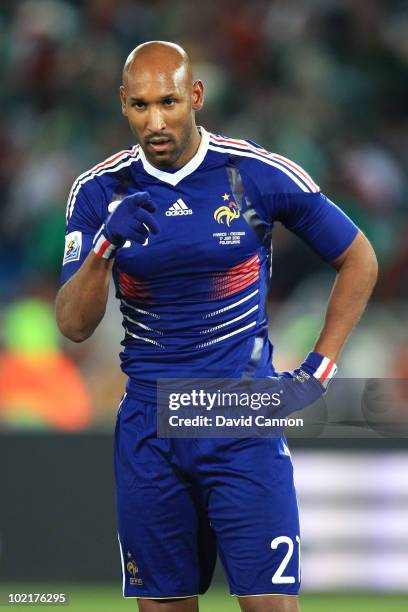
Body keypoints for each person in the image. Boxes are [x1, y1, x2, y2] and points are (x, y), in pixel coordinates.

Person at [56, 41, 378, 612]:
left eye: (169, 102)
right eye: (140, 106)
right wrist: (104, 245)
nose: (155, 121)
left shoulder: (255, 173)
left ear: (196, 96)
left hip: (239, 415)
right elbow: (73, 325)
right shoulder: (99, 191)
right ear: (122, 105)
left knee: (268, 606)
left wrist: (316, 371)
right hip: (150, 421)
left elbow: (359, 259)